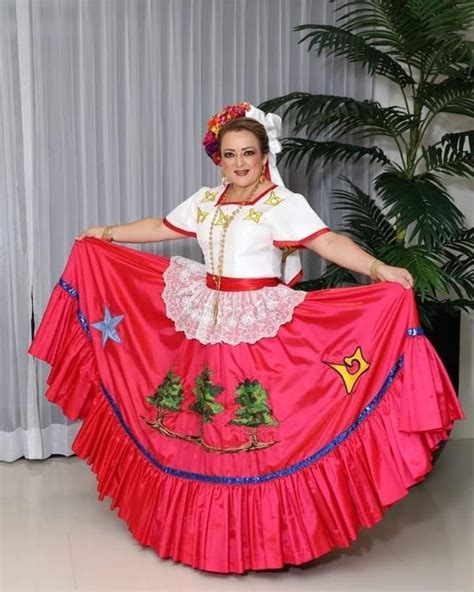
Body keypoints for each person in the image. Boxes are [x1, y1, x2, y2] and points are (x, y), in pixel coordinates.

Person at [30, 103, 463, 574]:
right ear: (219, 158)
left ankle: (259, 540)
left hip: (256, 325)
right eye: (229, 154)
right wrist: (108, 234)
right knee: (206, 425)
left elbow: (326, 242)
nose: (238, 163)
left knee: (253, 427)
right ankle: (204, 536)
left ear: (264, 157)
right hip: (205, 325)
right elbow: (160, 227)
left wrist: (379, 269)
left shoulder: (281, 205)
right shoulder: (205, 201)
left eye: (248, 153)